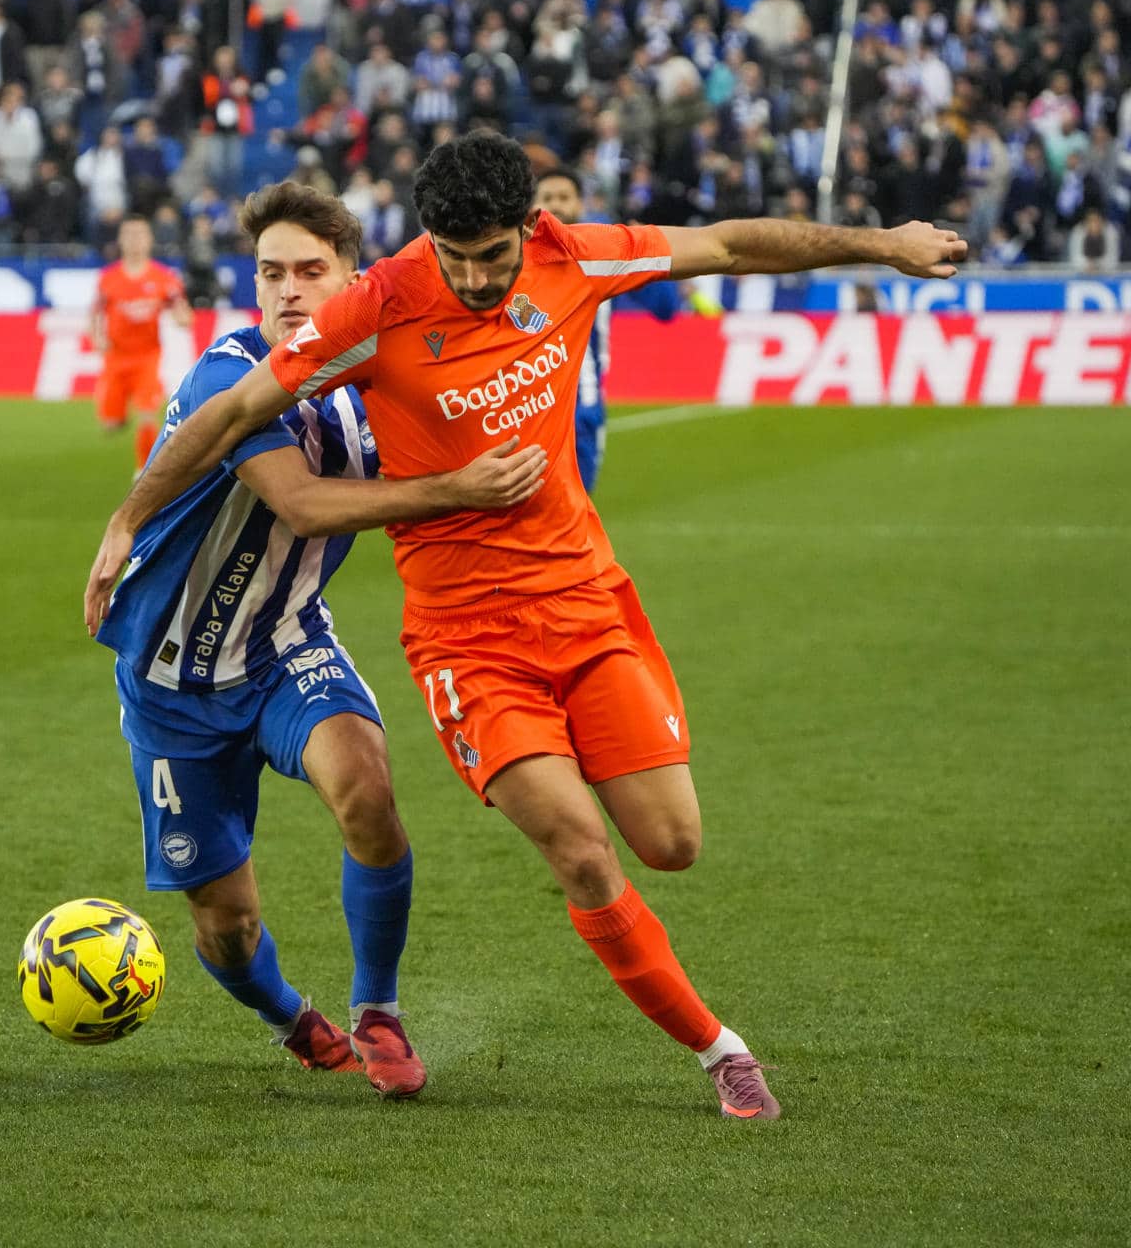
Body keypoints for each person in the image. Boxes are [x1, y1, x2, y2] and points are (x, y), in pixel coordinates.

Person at [87, 131, 968, 1122]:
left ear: (528, 230)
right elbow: (235, 420)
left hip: (569, 607)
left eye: (490, 258)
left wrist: (883, 244)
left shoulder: (575, 256)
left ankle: (377, 995)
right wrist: (127, 513)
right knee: (560, 852)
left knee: (669, 841)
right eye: (451, 256)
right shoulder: (372, 315)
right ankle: (717, 1050)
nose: (470, 278)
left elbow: (725, 244)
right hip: (444, 643)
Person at [91, 182, 547, 1098]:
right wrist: (460, 486)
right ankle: (292, 1018)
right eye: (272, 273)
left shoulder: (378, 377)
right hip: (173, 684)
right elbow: (300, 502)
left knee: (368, 790)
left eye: (311, 271)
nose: (290, 290)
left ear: (352, 279)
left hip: (285, 647)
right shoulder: (231, 376)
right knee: (226, 926)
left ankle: (377, 1010)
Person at [530, 167, 680, 493]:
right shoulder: (515, 257)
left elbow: (666, 309)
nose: (556, 205)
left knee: (575, 517)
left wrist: (648, 253)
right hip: (525, 413)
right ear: (532, 207)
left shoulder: (604, 251)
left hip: (582, 410)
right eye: (547, 198)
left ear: (580, 204)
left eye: (564, 198)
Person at [91, 214, 194, 470]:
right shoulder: (108, 278)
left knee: (148, 414)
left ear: (149, 240)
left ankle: (144, 471)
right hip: (115, 357)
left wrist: (183, 317)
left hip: (147, 356)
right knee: (110, 424)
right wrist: (96, 336)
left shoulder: (164, 278)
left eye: (140, 234)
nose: (135, 240)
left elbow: (182, 310)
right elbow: (95, 312)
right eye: (130, 234)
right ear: (121, 240)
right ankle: (117, 413)